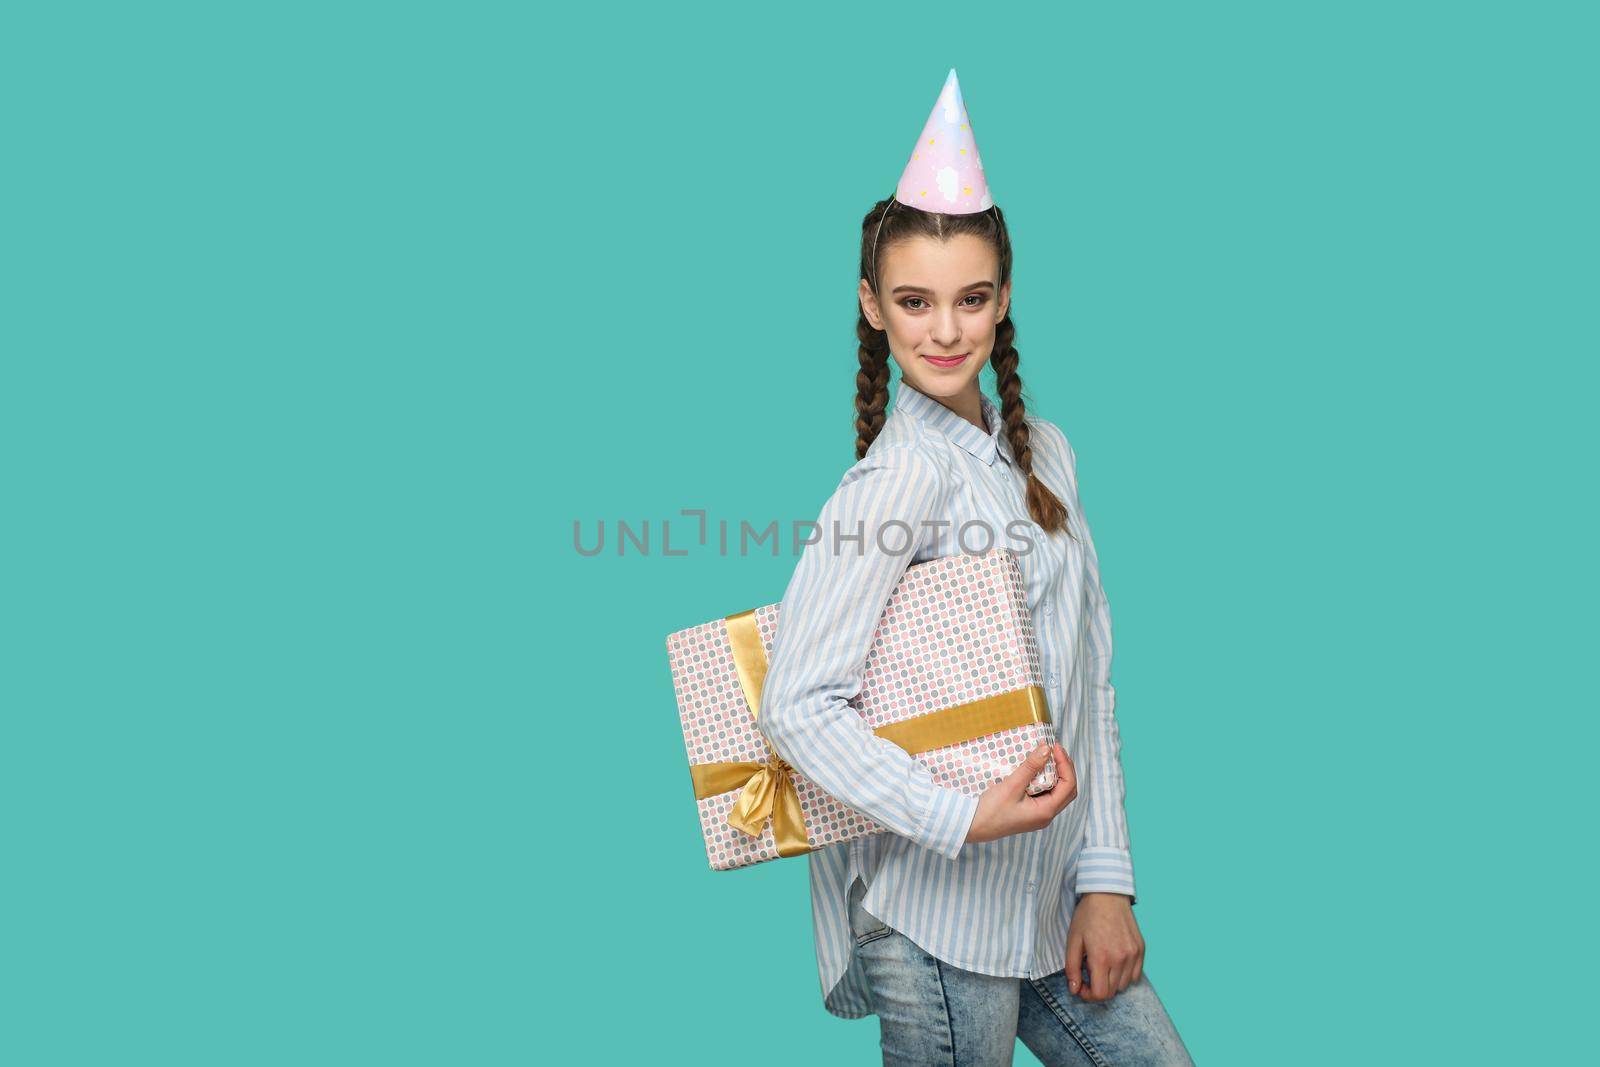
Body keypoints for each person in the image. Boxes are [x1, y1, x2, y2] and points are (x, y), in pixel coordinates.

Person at [756, 70, 1194, 1065]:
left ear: (1004, 299)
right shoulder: (897, 478)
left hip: (1045, 900)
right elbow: (796, 702)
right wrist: (957, 814)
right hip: (934, 915)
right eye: (913, 300)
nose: (945, 329)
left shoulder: (1047, 452)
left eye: (970, 298)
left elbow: (1088, 678)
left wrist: (1105, 880)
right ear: (871, 305)